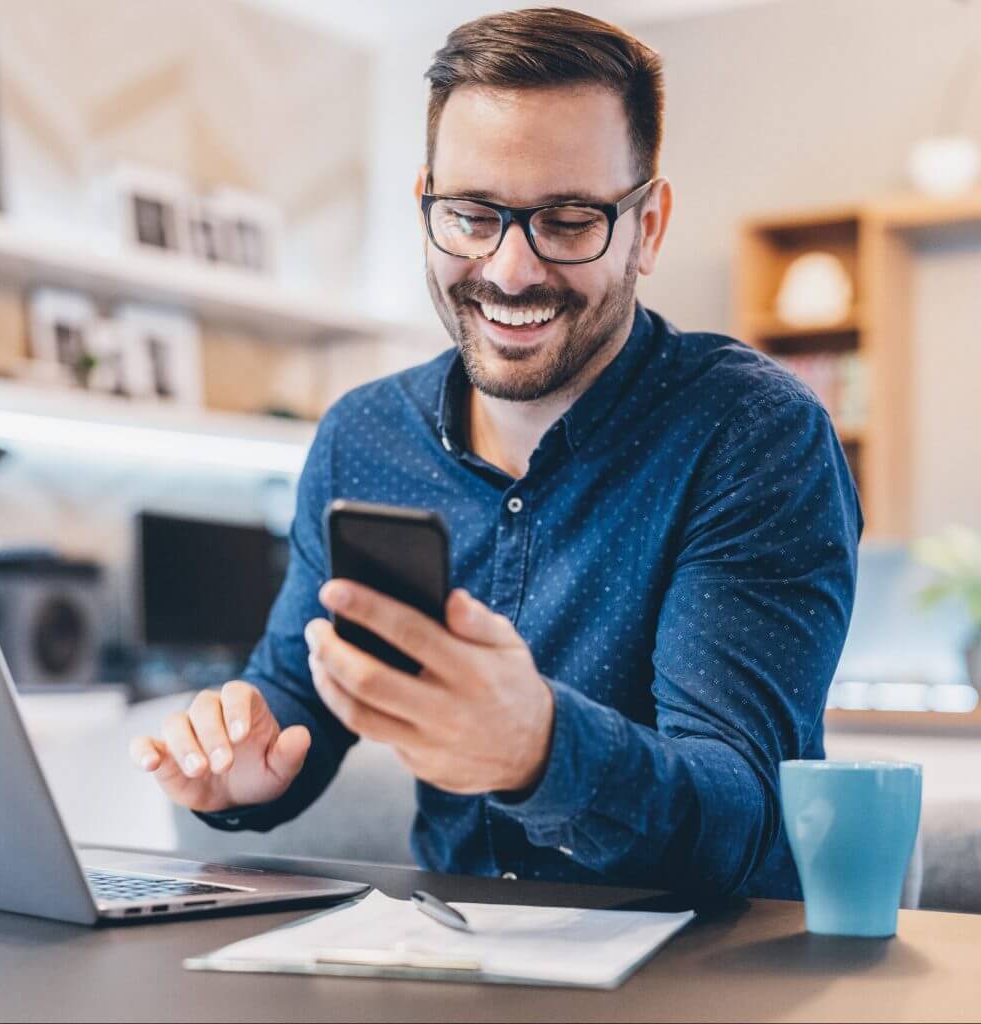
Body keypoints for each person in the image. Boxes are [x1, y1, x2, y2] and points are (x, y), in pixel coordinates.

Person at [131, 7, 862, 903]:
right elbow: (296, 694)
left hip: (701, 975)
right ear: (427, 207)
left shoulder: (752, 435)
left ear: (650, 227)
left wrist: (540, 751)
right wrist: (241, 766)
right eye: (473, 215)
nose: (510, 270)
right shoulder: (363, 438)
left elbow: (741, 814)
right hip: (450, 959)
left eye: (567, 220)